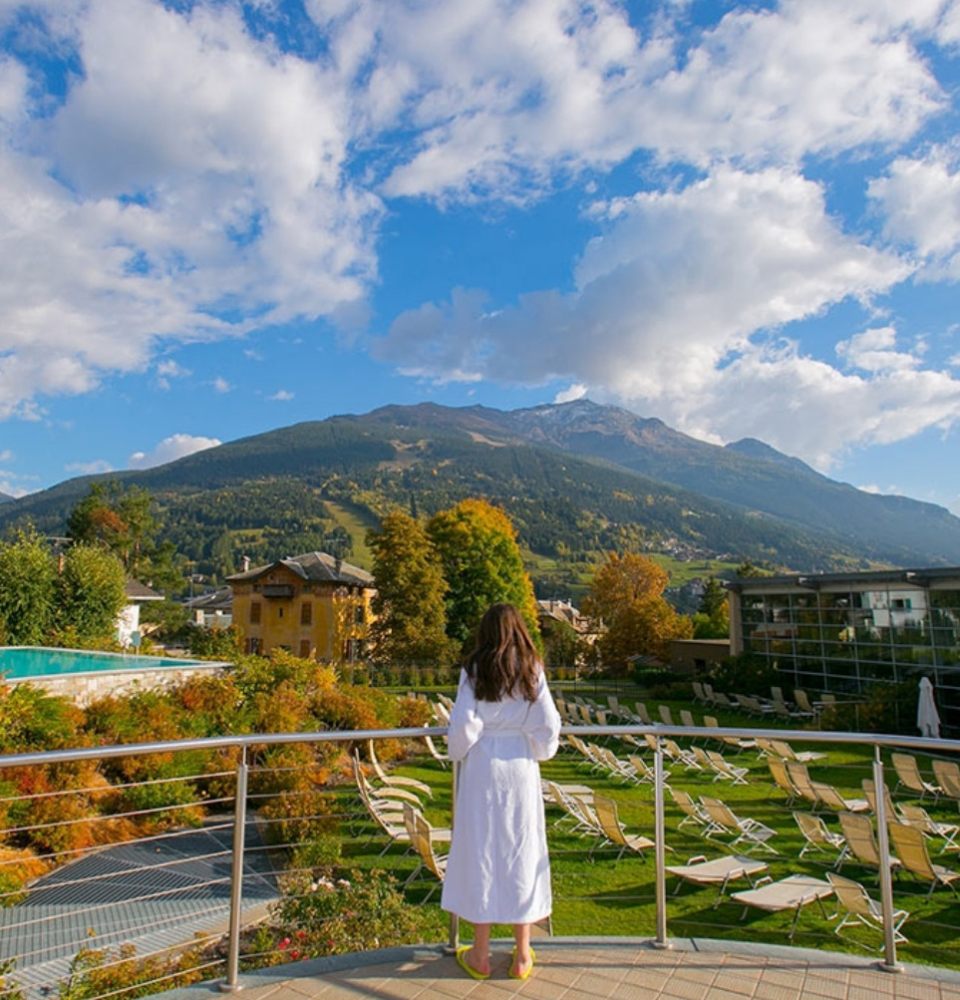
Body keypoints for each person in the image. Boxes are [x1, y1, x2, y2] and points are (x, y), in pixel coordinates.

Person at [441, 603, 562, 981]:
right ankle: (523, 953)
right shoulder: (532, 667)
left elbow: (462, 725)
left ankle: (479, 953)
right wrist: (538, 749)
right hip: (520, 769)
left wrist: (459, 750)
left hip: (483, 771)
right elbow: (548, 722)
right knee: (521, 851)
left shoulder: (475, 669)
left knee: (481, 853)